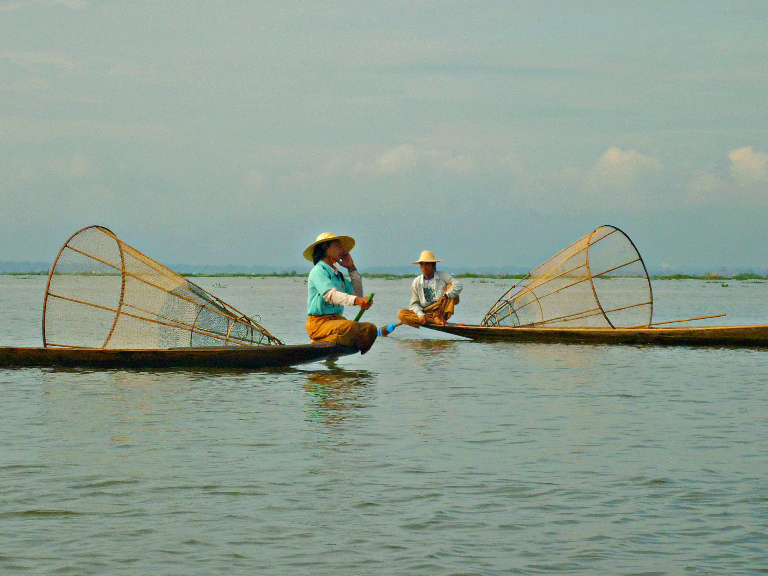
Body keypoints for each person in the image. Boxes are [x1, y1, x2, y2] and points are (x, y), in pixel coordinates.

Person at [304, 232, 379, 354]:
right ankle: (319, 340)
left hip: (337, 321)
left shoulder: (337, 275)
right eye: (338, 246)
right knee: (351, 327)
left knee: (370, 330)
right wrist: (357, 301)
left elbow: (357, 294)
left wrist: (351, 268)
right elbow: (331, 296)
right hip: (319, 323)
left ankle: (329, 340)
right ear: (325, 247)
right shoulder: (318, 271)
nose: (342, 250)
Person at [397, 250, 462, 327]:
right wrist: (420, 315)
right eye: (422, 265)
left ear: (433, 265)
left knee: (451, 287)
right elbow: (414, 304)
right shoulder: (417, 282)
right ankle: (432, 320)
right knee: (401, 314)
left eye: (427, 264)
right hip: (427, 314)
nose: (424, 268)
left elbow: (458, 285)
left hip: (442, 312)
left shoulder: (442, 276)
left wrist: (445, 296)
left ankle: (439, 318)